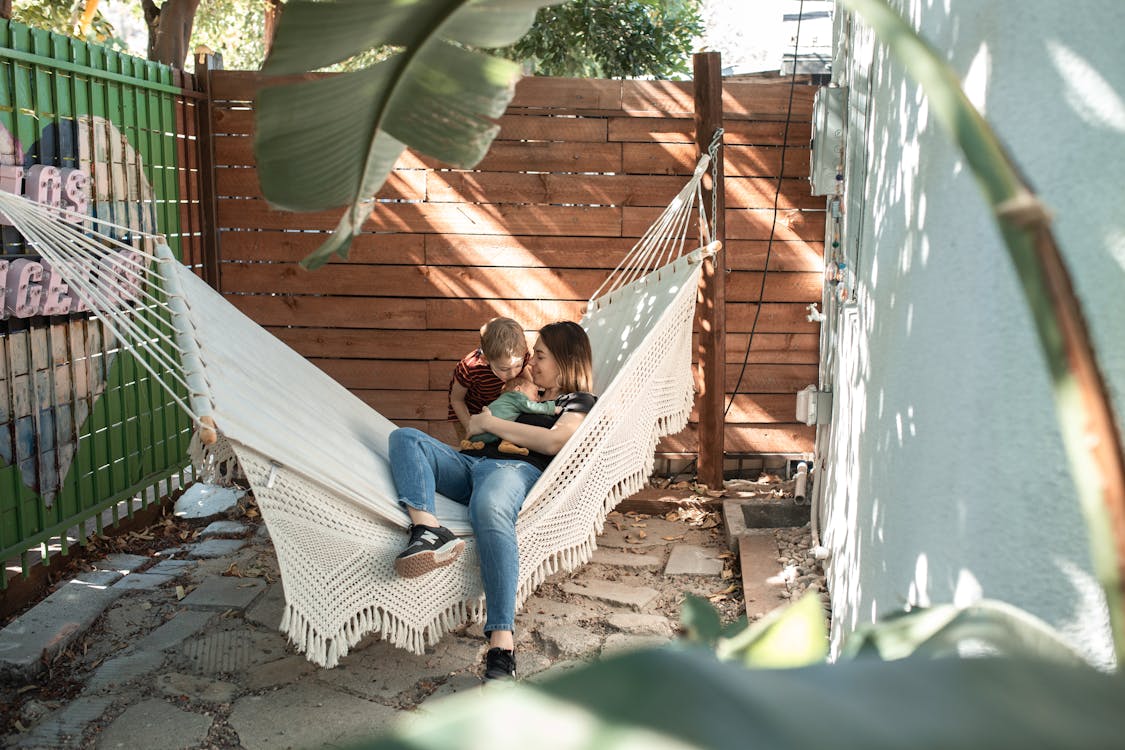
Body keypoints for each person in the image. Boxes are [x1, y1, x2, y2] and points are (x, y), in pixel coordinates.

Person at [388, 321, 596, 681]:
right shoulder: (521, 389)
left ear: (564, 362)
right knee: (406, 438)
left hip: (513, 470)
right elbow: (471, 429)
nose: (532, 364)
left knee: (490, 507)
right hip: (471, 462)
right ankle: (427, 530)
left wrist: (492, 423)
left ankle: (501, 643)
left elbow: (553, 443)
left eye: (541, 356)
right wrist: (485, 422)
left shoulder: (576, 400)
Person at [447, 317, 529, 443]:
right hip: (469, 413)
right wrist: (470, 426)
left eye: (517, 366)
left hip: (499, 410)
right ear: (486, 359)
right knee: (473, 447)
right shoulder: (471, 368)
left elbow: (528, 382)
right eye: (504, 369)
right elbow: (456, 400)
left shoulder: (520, 355)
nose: (513, 374)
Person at [459, 375, 559, 456]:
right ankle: (504, 444)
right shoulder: (517, 397)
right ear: (518, 389)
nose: (537, 399)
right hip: (487, 432)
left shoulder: (505, 399)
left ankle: (476, 444)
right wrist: (551, 408)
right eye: (535, 393)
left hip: (479, 436)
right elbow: (531, 407)